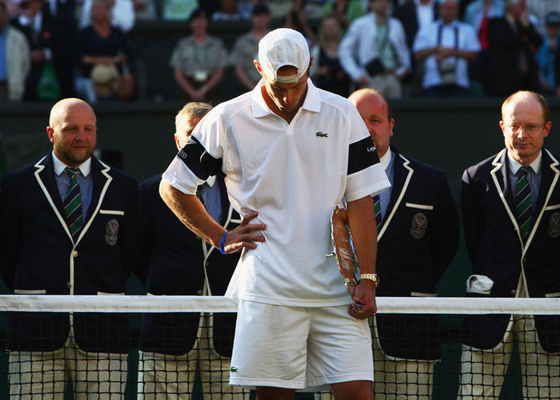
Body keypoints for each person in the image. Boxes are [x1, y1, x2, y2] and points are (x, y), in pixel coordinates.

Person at [159, 28, 390, 400]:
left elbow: (361, 201)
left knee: (358, 394)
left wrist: (369, 277)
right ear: (256, 68)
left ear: (310, 67)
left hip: (339, 291)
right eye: (277, 85)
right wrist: (219, 236)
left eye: (296, 85)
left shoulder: (343, 112)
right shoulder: (227, 117)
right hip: (267, 290)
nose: (286, 96)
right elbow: (172, 186)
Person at [0, 97, 142, 398]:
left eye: (89, 129)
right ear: (51, 133)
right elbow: (7, 254)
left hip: (102, 332)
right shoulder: (17, 184)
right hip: (34, 332)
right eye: (71, 129)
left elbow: (128, 254)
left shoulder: (123, 187)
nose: (81, 137)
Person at [458, 90, 560, 399]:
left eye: (530, 127)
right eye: (514, 126)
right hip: (488, 308)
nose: (521, 135)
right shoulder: (475, 178)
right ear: (502, 127)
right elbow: (474, 242)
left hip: (548, 306)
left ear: (546, 129)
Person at [348, 88, 460, 399]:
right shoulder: (319, 179)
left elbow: (445, 246)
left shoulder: (430, 181)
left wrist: (404, 282)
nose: (367, 128)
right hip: (340, 324)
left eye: (375, 120)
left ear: (390, 126)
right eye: (358, 120)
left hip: (410, 325)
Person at [136, 102, 248, 400]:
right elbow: (137, 254)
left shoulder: (246, 190)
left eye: (205, 134)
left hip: (231, 329)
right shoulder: (150, 192)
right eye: (190, 135)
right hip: (166, 327)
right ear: (177, 141)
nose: (199, 143)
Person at [339, 0, 411, 99]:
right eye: (380, 2)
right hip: (372, 77)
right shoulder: (360, 24)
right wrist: (356, 74)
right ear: (371, 4)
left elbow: (403, 49)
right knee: (372, 112)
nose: (384, 4)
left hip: (393, 76)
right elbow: (344, 50)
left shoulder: (396, 24)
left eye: (386, 2)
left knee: (395, 112)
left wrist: (404, 69)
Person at [412, 0, 480, 97]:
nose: (450, 12)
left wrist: (451, 52)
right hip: (432, 82)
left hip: (459, 82)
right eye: (447, 8)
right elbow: (417, 54)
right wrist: (436, 49)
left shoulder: (467, 29)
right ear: (440, 9)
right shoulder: (427, 29)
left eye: (453, 8)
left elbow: (474, 54)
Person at [75, 0, 136, 103]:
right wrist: (98, 61)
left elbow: (128, 54)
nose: (98, 12)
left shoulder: (117, 32)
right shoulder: (84, 33)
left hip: (115, 76)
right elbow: (78, 56)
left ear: (109, 11)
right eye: (95, 9)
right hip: (89, 77)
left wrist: (113, 60)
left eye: (101, 9)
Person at [484, 0, 543, 96]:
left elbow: (537, 42)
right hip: (504, 81)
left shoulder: (525, 25)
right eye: (521, 6)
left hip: (525, 80)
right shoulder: (496, 23)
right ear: (512, 7)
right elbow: (507, 42)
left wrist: (527, 26)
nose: (525, 9)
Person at [170, 7, 228, 102]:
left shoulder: (217, 44)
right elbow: (177, 72)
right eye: (196, 21)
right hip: (189, 86)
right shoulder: (183, 44)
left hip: (211, 87)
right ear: (191, 24)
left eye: (202, 20)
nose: (199, 24)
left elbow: (220, 71)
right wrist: (191, 91)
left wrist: (203, 90)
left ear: (207, 23)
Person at [229, 4, 272, 91]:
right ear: (252, 17)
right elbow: (238, 68)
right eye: (257, 15)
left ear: (269, 18)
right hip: (250, 88)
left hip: (274, 86)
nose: (260, 19)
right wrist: (254, 89)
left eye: (264, 15)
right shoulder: (242, 41)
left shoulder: (275, 39)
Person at [310, 15, 350, 96]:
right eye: (327, 26)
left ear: (339, 27)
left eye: (333, 25)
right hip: (324, 93)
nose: (331, 29)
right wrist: (321, 72)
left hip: (345, 92)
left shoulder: (347, 47)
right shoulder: (317, 50)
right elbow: (310, 73)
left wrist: (345, 71)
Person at [0, 0, 31, 101]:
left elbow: (25, 64)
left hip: (10, 89)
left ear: (6, 15)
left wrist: (17, 81)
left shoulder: (18, 38)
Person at [536, 11, 560, 95]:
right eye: (551, 27)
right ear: (546, 26)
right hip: (542, 86)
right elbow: (538, 64)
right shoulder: (540, 42)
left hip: (559, 86)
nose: (553, 30)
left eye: (555, 27)